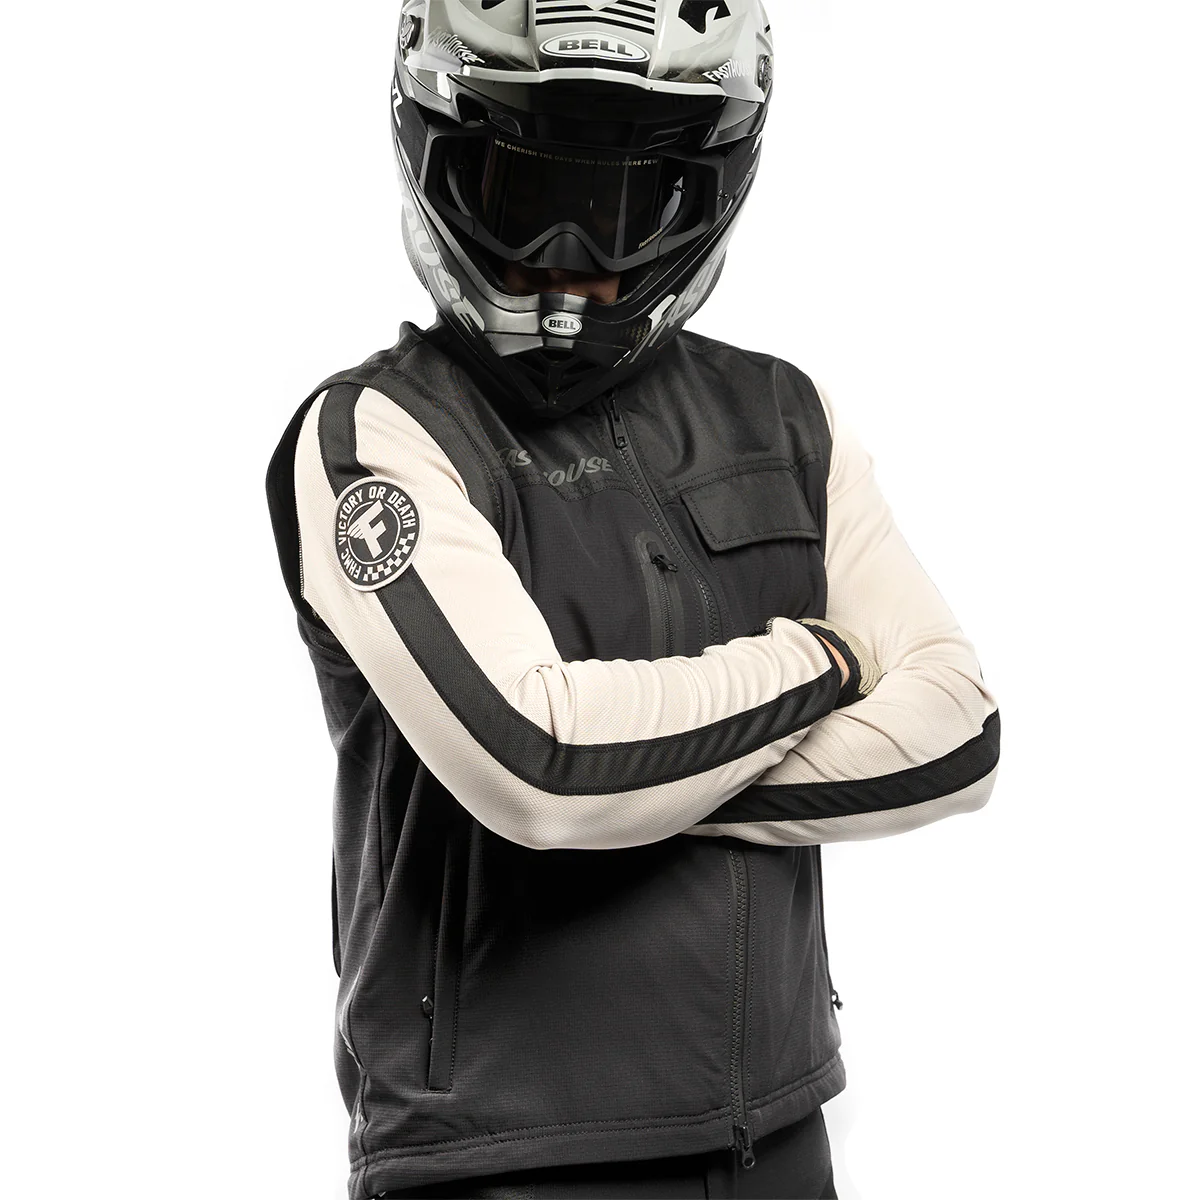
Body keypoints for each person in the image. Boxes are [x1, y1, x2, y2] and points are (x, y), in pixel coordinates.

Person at [265, 3, 1002, 1197]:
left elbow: (957, 734)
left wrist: (642, 788)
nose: (566, 252)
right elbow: (544, 765)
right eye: (521, 187)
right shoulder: (375, 436)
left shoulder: (786, 417)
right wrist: (823, 661)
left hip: (780, 1135)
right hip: (504, 1161)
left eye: (618, 202)